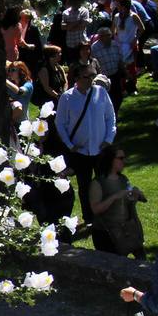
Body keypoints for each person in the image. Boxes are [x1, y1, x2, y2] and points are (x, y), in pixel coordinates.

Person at [55, 62, 117, 222]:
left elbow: (111, 117)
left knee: (104, 182)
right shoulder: (67, 98)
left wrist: (108, 139)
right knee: (85, 187)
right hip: (80, 152)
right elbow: (60, 123)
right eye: (86, 76)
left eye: (92, 76)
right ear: (76, 78)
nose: (90, 80)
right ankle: (89, 217)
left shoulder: (101, 92)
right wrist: (70, 145)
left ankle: (106, 213)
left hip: (100, 149)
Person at [89, 145, 147, 258]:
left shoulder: (123, 179)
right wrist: (115, 196)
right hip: (107, 234)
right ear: (110, 160)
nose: (123, 161)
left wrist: (136, 195)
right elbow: (96, 209)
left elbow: (128, 201)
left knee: (142, 262)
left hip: (127, 230)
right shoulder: (97, 183)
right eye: (120, 158)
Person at [91, 27, 126, 112]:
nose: (108, 37)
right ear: (100, 37)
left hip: (115, 74)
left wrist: (125, 71)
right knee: (106, 98)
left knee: (118, 97)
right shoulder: (94, 48)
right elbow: (93, 64)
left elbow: (120, 59)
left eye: (109, 35)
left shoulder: (115, 44)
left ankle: (115, 113)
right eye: (105, 36)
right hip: (104, 78)